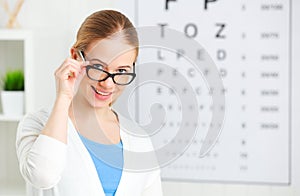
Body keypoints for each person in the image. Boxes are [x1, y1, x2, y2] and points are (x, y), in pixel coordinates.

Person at [16, 10, 163, 196]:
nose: (108, 83)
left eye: (121, 70)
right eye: (98, 67)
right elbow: (42, 176)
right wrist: (63, 97)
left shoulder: (140, 141)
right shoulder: (37, 125)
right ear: (75, 56)